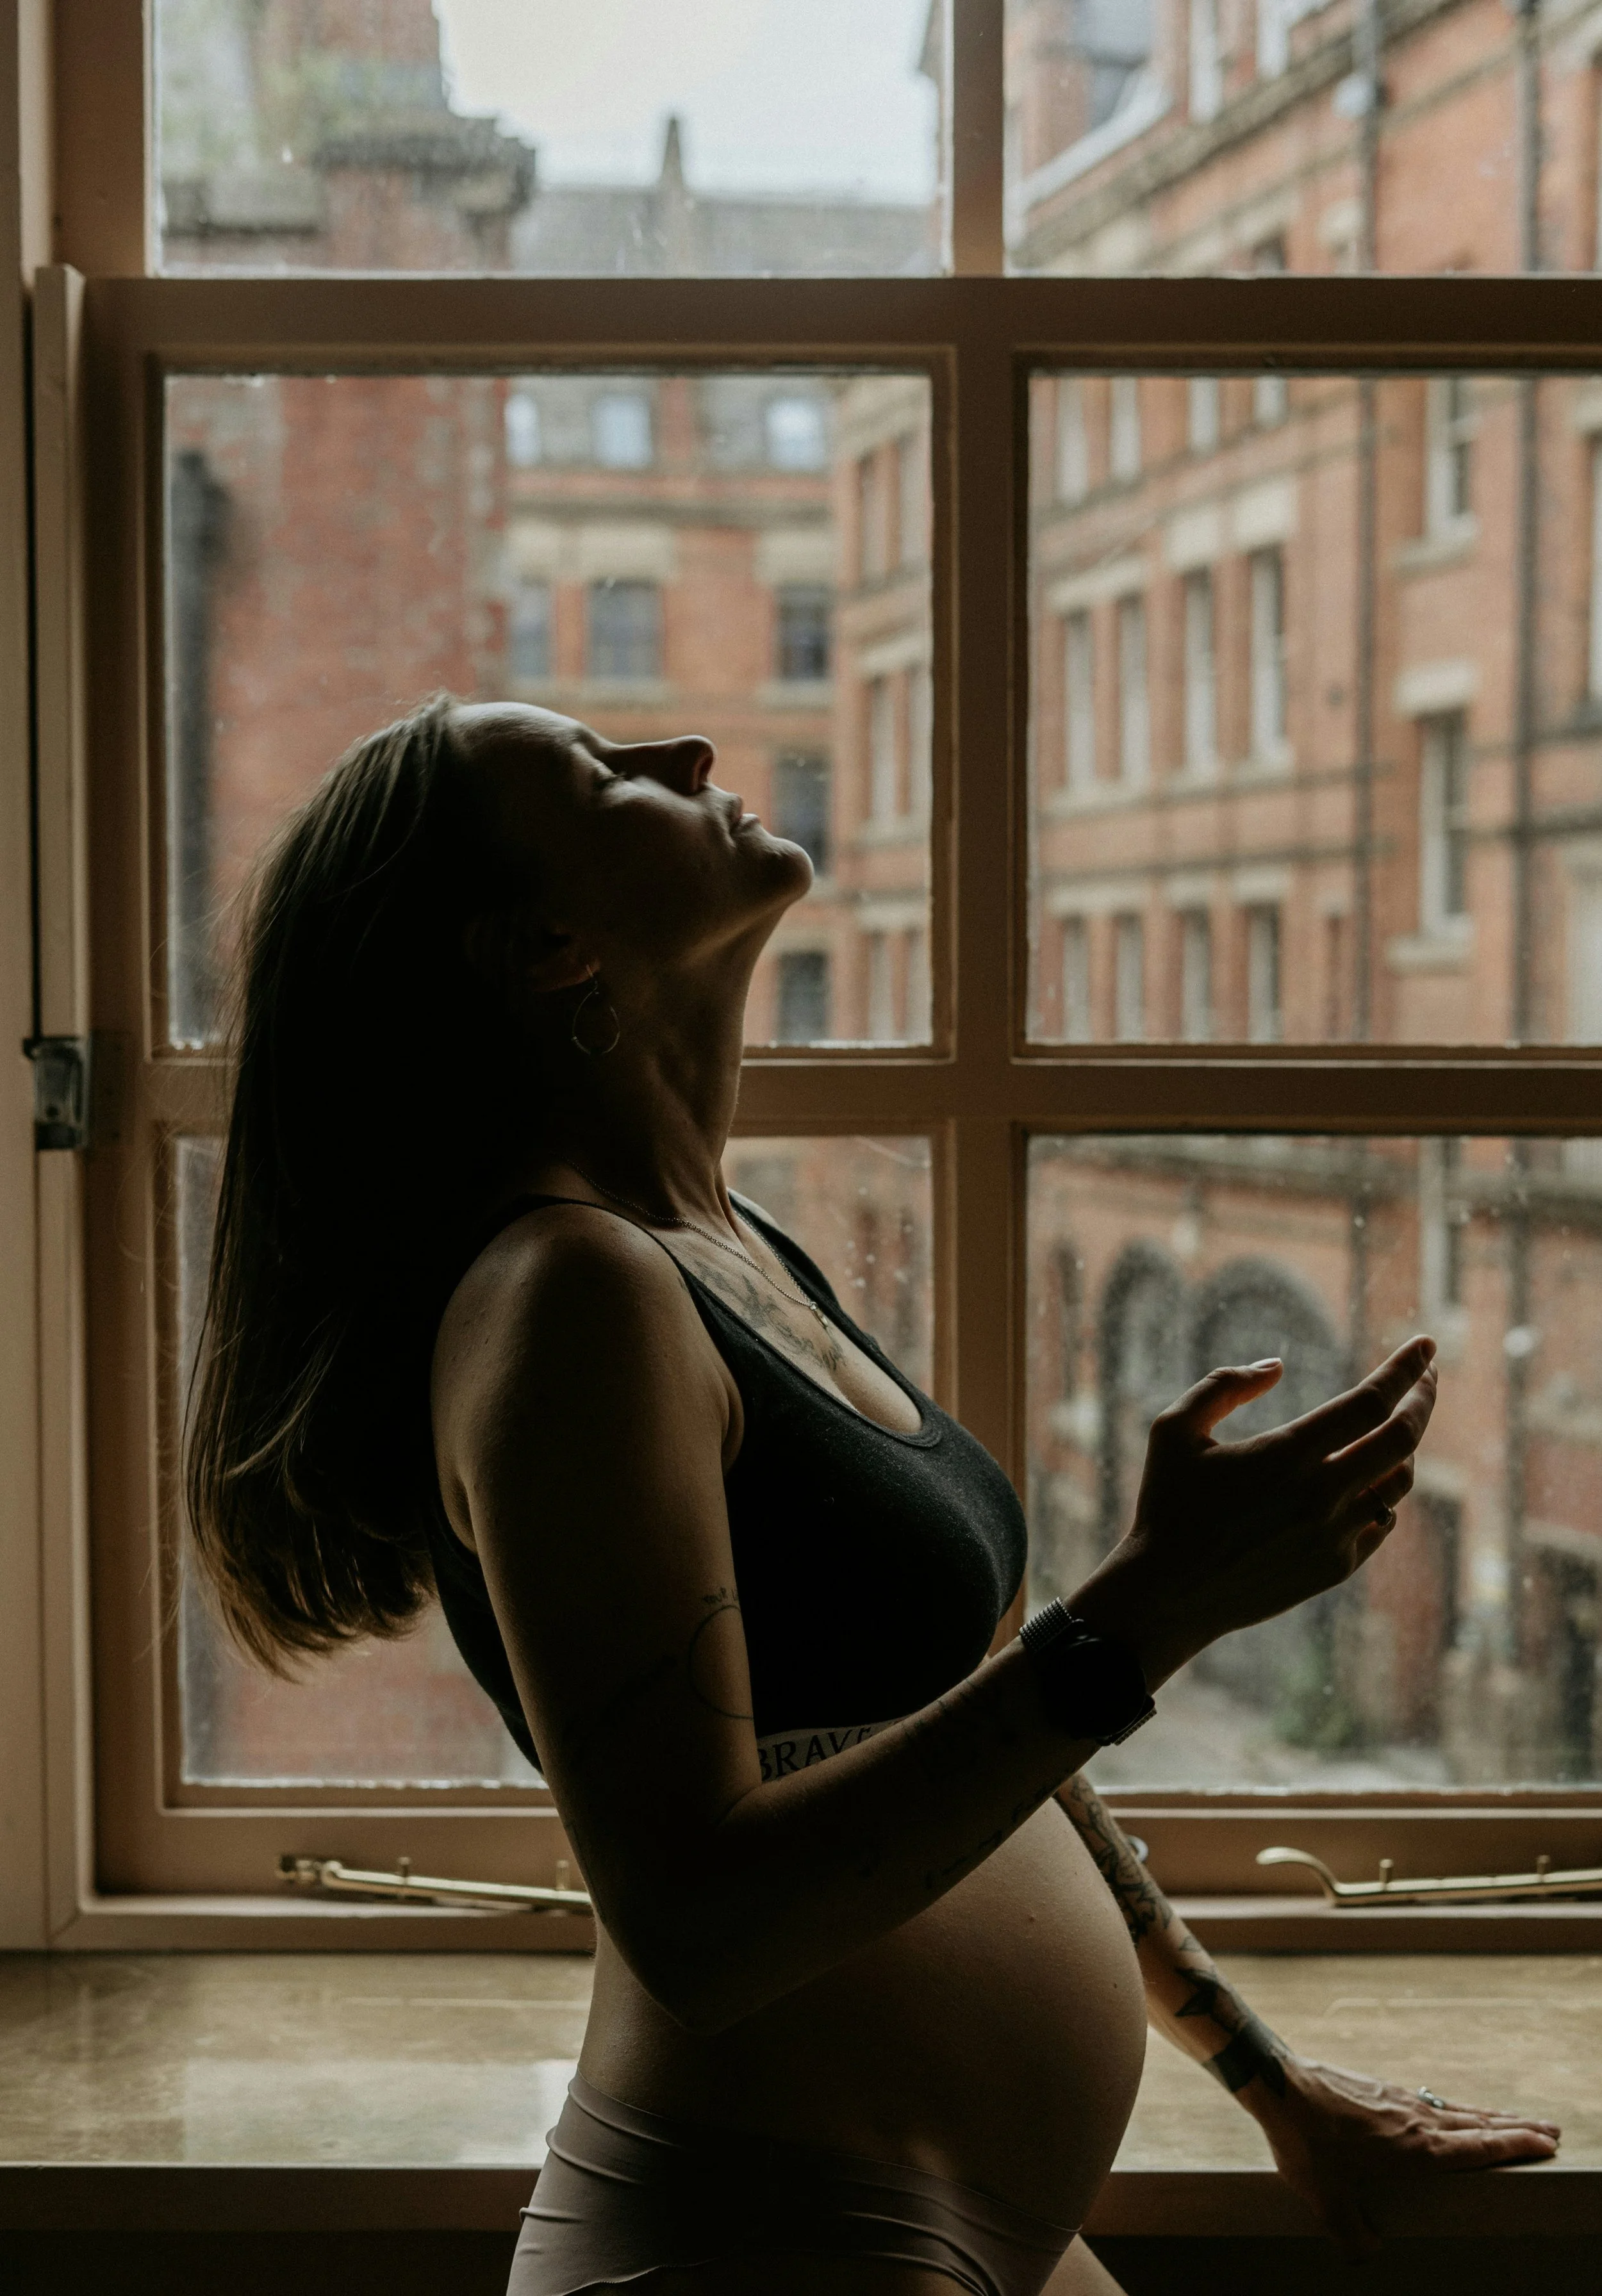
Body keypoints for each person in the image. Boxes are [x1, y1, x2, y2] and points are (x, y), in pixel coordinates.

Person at [187, 696, 1560, 2296]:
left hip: (930, 2227)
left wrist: (1269, 2081)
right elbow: (696, 1921)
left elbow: (984, 1729)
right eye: (599, 776)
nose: (687, 758)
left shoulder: (735, 1251)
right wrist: (1143, 1615)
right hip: (759, 2238)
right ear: (552, 941)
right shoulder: (569, 1295)